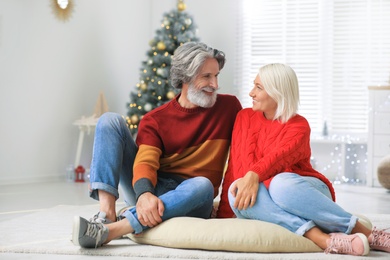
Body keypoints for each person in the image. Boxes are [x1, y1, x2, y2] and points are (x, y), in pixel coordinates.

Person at [72, 42, 242, 248]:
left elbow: (247, 145)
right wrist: (144, 194)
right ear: (185, 77)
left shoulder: (229, 107)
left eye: (216, 76)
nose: (214, 84)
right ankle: (106, 216)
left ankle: (113, 230)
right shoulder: (156, 119)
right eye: (206, 76)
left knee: (203, 184)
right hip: (154, 190)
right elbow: (145, 162)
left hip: (195, 195)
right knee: (109, 121)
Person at [217, 63, 390, 256]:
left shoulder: (299, 125)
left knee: (279, 183)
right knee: (236, 190)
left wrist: (253, 175)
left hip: (301, 191)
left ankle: (370, 234)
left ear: (278, 92)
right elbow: (234, 166)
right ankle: (325, 240)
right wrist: (224, 215)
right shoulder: (244, 117)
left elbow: (277, 159)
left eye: (259, 88)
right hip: (265, 197)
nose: (251, 93)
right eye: (253, 86)